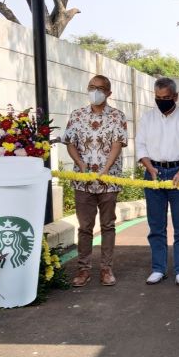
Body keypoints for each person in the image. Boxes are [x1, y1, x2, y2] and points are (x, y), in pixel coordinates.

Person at [62, 74, 128, 287]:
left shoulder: (118, 116)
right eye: (92, 87)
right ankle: (83, 269)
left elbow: (118, 143)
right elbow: (70, 142)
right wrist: (81, 166)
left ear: (109, 93)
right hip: (83, 182)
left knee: (108, 225)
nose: (95, 91)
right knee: (85, 227)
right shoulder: (77, 115)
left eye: (100, 88)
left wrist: (105, 170)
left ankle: (106, 269)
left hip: (109, 179)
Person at [135, 77, 179, 286]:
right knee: (156, 225)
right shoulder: (147, 119)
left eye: (167, 98)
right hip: (153, 172)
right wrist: (149, 167)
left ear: (175, 97)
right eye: (158, 98)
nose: (162, 101)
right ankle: (158, 268)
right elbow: (140, 145)